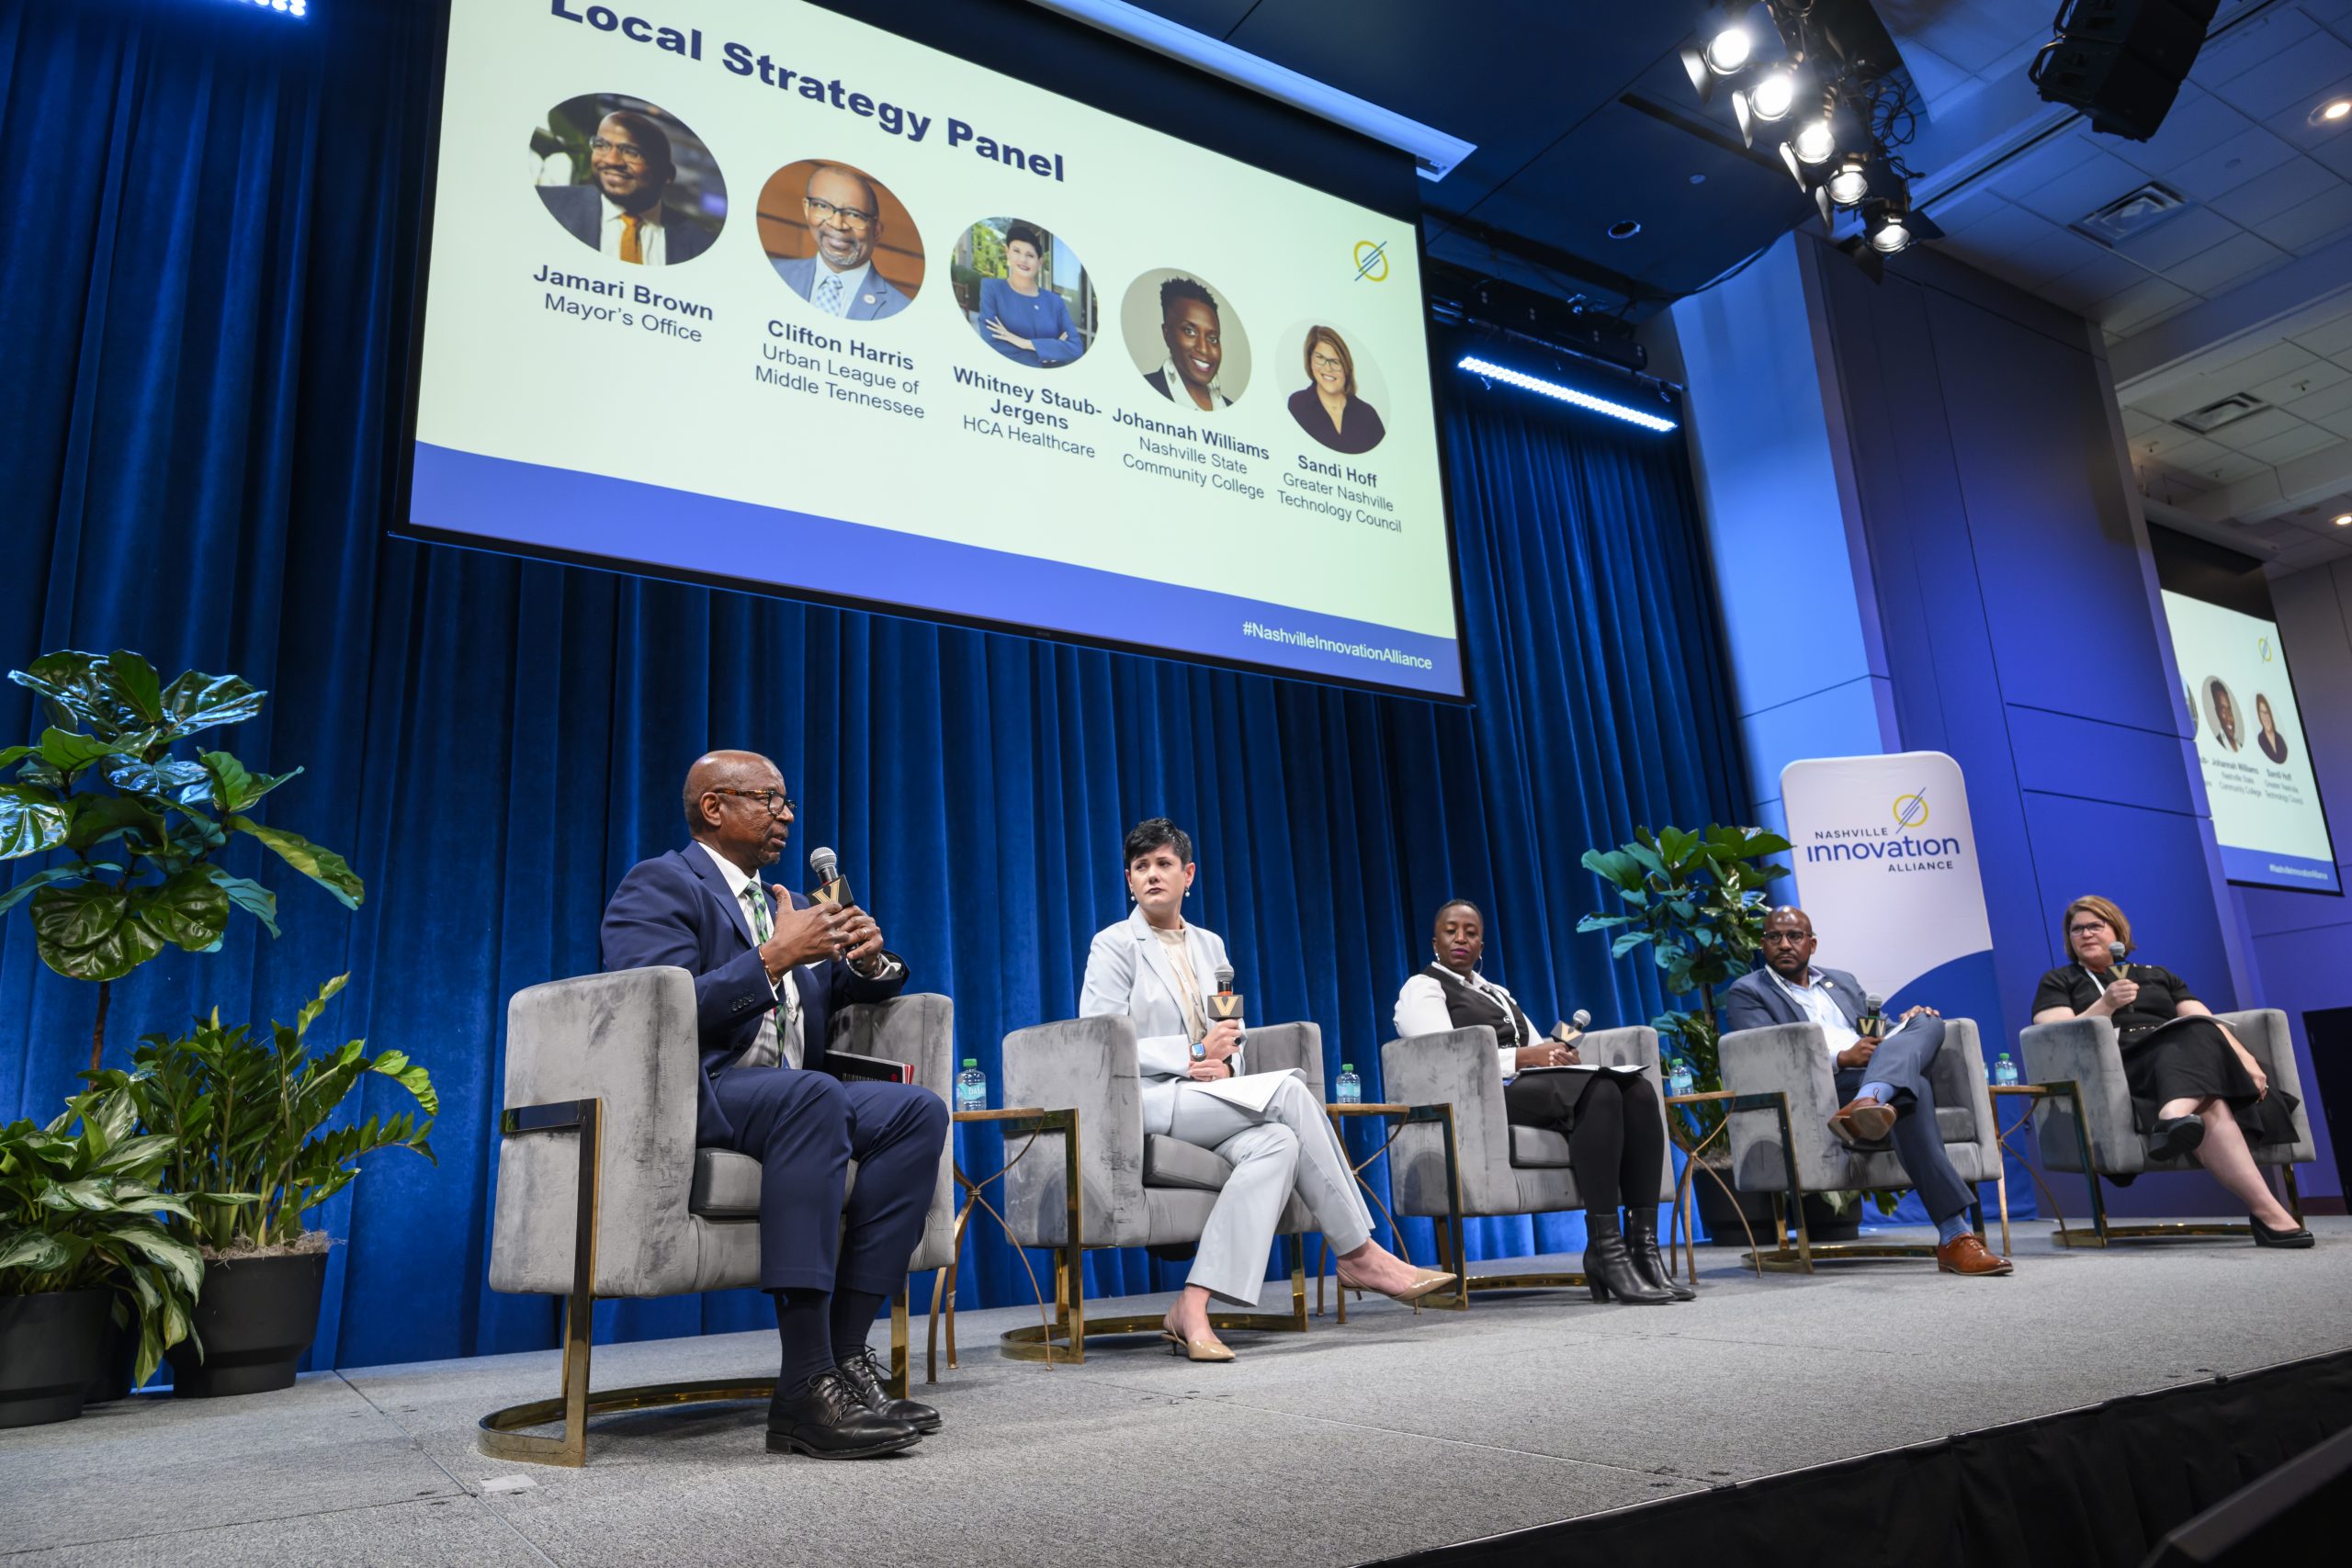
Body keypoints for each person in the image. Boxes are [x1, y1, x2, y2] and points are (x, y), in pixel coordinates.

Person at [600, 750, 953, 1456]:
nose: (786, 814)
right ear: (714, 806)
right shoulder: (662, 883)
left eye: (787, 801)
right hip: (705, 1091)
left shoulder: (781, 901)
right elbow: (654, 1007)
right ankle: (803, 1383)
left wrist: (868, 962)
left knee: (917, 1112)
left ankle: (845, 1357)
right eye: (769, 799)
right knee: (813, 1096)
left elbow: (831, 993)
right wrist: (774, 956)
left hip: (794, 1094)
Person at [1080, 818, 1453, 1360]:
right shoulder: (1114, 945)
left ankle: (1192, 1304)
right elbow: (1101, 1041)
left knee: (1278, 1142)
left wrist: (1229, 1066)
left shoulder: (1210, 946)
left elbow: (1232, 1031)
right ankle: (1358, 1252)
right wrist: (1192, 1053)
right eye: (1140, 867)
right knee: (1291, 1094)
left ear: (1188, 875)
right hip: (1148, 1100)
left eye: (1163, 864)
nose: (1151, 875)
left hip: (1208, 1097)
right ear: (1129, 880)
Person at [1393, 899, 1685, 1304]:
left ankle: (1643, 1249)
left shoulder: (1496, 992)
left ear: (1482, 946)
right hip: (1478, 1102)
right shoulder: (1423, 987)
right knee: (1600, 1090)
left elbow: (1536, 1045)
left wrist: (1558, 1052)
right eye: (1451, 930)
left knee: (1637, 1090)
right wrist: (1526, 1058)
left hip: (1526, 1089)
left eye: (1471, 933)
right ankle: (1606, 1250)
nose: (1461, 938)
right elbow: (1444, 1056)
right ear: (1435, 942)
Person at [1723, 907, 2013, 1277]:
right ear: (1763, 944)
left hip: (1871, 1073)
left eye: (1794, 936)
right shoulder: (1748, 991)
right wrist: (1842, 1058)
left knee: (1927, 1022)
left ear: (1812, 944)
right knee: (1915, 1088)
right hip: (1826, 1088)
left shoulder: (1842, 982)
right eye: (1773, 937)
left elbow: (1878, 1030)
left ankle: (1872, 1097)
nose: (1784, 944)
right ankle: (1955, 1235)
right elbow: (1764, 1052)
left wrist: (1905, 1025)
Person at [2030, 895, 2310, 1247]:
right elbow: (2053, 1035)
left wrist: (2245, 1059)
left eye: (2095, 926)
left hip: (2180, 1063)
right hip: (2125, 1064)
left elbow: (2207, 1020)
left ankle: (2179, 1120)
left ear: (2117, 930)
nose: (2085, 934)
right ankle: (2266, 1210)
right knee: (2200, 1071)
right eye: (2077, 929)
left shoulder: (2158, 975)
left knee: (2202, 1066)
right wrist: (2106, 1004)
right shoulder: (2060, 980)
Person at [537, 109, 716, 265]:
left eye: (632, 152)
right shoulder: (544, 205)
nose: (611, 160)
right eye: (601, 145)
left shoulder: (701, 246)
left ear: (666, 174)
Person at [772, 164, 910, 321]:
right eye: (823, 206)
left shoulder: (902, 311)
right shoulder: (772, 274)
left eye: (854, 215)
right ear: (807, 209)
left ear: (876, 231)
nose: (837, 224)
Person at [975, 221, 1081, 367]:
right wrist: (1050, 351)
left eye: (1030, 255)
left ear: (1040, 262)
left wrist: (1024, 343)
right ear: (1007, 252)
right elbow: (992, 344)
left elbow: (1076, 348)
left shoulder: (1055, 301)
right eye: (1016, 251)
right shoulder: (992, 289)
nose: (1023, 260)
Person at [1286, 326, 1386, 456]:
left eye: (1335, 361)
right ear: (1310, 360)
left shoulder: (1368, 415)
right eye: (1320, 358)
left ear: (1346, 366)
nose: (1328, 368)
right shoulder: (1298, 404)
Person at [1142, 277, 1233, 412]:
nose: (1204, 349)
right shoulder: (1141, 390)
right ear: (1167, 334)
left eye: (1213, 339)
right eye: (1190, 332)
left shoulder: (1230, 408)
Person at [2256, 694, 2290, 765]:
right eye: (2262, 713)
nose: (2266, 717)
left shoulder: (2280, 738)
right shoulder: (2260, 739)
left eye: (2267, 712)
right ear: (2259, 715)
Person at [2209, 680, 2243, 751]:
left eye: (2229, 710)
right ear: (2217, 712)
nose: (2229, 717)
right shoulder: (2215, 746)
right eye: (2223, 710)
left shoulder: (2241, 746)